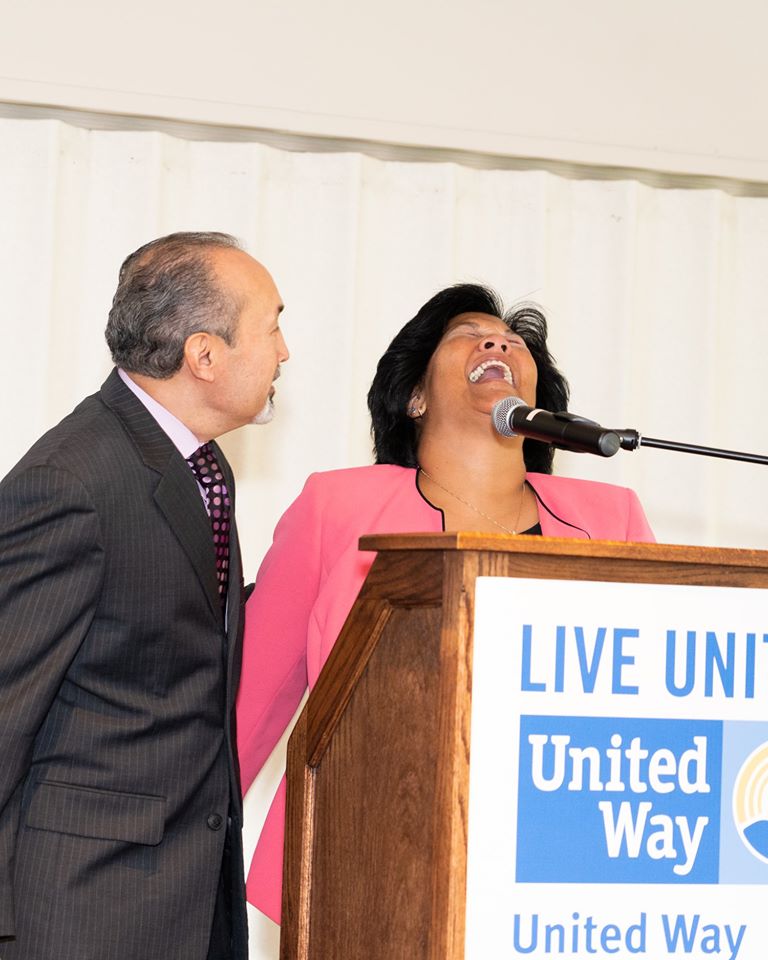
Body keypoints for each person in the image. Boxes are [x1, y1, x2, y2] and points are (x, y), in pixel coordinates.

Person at [236, 283, 654, 924]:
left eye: (514, 341)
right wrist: (169, 860)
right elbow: (251, 705)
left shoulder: (610, 518)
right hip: (371, 855)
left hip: (558, 866)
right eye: (468, 335)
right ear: (415, 397)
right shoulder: (337, 508)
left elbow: (655, 702)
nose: (499, 342)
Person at [0, 231, 289, 960]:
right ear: (204, 354)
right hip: (82, 914)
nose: (284, 352)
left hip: (185, 904)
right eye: (273, 325)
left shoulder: (192, 461)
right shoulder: (72, 482)